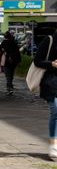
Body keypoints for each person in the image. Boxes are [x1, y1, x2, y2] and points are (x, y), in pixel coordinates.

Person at [33, 31, 57, 160]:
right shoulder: (49, 40)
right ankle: (53, 145)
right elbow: (37, 61)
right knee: (56, 111)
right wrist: (52, 64)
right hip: (50, 81)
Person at [0, 31, 21, 95]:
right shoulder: (14, 43)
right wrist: (19, 61)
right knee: (11, 76)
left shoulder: (4, 42)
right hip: (14, 62)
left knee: (8, 76)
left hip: (6, 61)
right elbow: (18, 53)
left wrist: (3, 51)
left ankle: (9, 89)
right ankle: (10, 87)